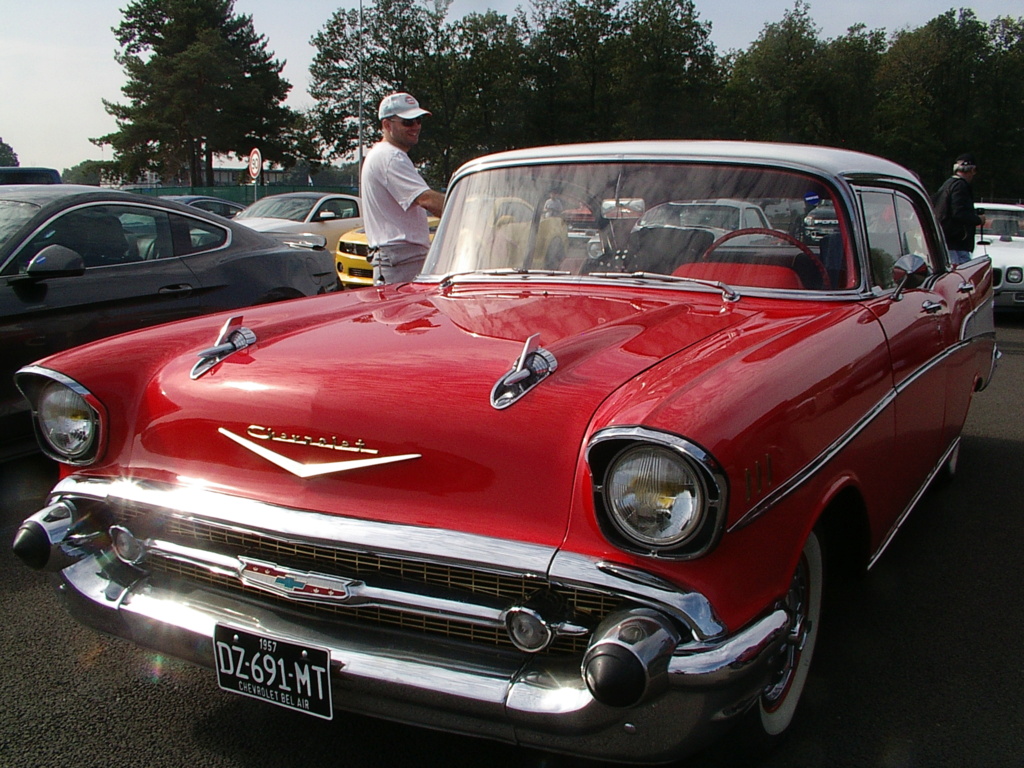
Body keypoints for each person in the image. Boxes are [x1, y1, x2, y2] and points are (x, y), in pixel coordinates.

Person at [360, 92, 446, 285]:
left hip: (400, 258)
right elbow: (426, 199)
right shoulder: (391, 157)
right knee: (404, 314)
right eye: (407, 122)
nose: (415, 126)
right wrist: (471, 214)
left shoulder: (384, 155)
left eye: (418, 120)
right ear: (387, 125)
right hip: (401, 259)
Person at [932, 153, 986, 265]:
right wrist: (978, 220)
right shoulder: (961, 186)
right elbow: (958, 213)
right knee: (961, 276)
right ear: (973, 170)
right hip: (956, 243)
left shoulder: (947, 184)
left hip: (945, 240)